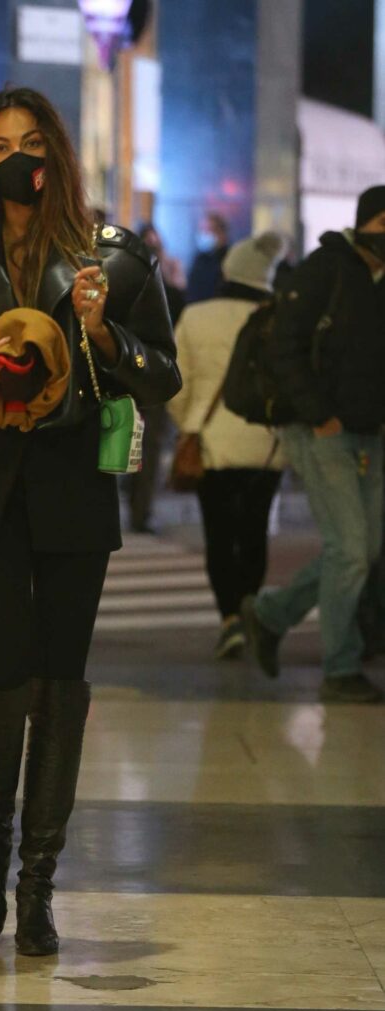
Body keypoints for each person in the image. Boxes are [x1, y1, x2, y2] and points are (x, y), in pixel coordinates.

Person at [0, 87, 180, 957]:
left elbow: (160, 377)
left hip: (70, 492)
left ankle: (38, 884)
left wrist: (100, 331)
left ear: (54, 155)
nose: (14, 158)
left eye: (30, 143)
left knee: (60, 682)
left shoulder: (107, 255)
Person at [242, 185, 385, 702]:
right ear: (365, 223)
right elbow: (285, 346)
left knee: (361, 551)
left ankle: (268, 615)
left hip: (372, 433)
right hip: (322, 431)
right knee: (350, 551)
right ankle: (340, 668)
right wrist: (319, 414)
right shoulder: (326, 268)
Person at [169, 233, 287, 657]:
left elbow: (175, 383)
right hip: (266, 445)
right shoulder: (279, 318)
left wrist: (189, 425)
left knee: (219, 535)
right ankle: (250, 607)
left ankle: (230, 621)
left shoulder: (196, 316)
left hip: (211, 441)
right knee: (254, 533)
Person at [130, 224, 187, 532]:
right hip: (149, 383)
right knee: (145, 451)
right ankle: (140, 512)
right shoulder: (170, 293)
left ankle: (137, 510)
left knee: (140, 450)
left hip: (134, 381)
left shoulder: (122, 287)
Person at [186, 211, 230, 304]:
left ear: (222, 233)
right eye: (201, 230)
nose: (204, 235)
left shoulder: (230, 260)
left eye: (208, 230)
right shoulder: (199, 259)